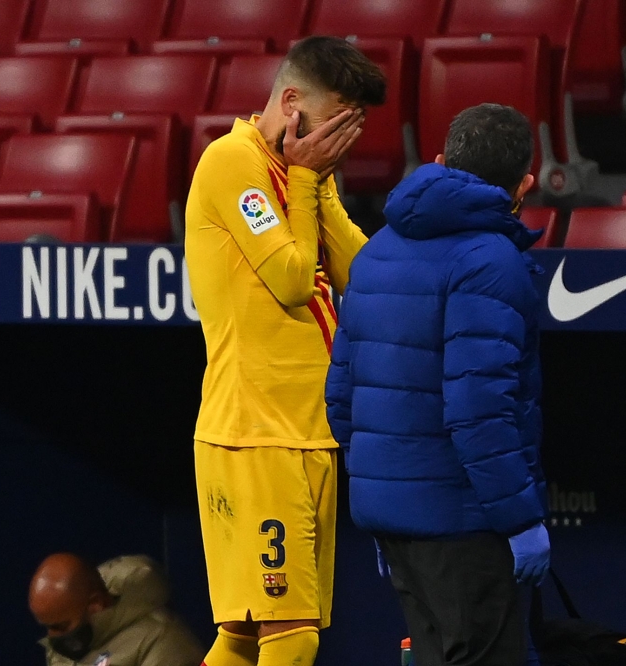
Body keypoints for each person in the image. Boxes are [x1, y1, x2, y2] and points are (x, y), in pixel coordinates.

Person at [184, 36, 386, 666]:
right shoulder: (231, 162)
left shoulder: (299, 176)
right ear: (291, 102)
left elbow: (364, 275)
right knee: (292, 636)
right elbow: (295, 279)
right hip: (254, 434)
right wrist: (304, 180)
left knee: (245, 637)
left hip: (307, 430)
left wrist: (314, 183)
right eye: (335, 123)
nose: (340, 142)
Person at [325, 103, 551, 666]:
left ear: (441, 161)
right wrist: (521, 521)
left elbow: (341, 395)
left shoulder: (375, 250)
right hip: (465, 521)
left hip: (396, 521)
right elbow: (478, 410)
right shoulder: (493, 260)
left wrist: (384, 496)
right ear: (525, 184)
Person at [29, 553, 203, 666]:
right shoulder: (72, 644)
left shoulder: (163, 641)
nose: (52, 636)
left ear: (95, 604)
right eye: (48, 627)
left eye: (61, 626)